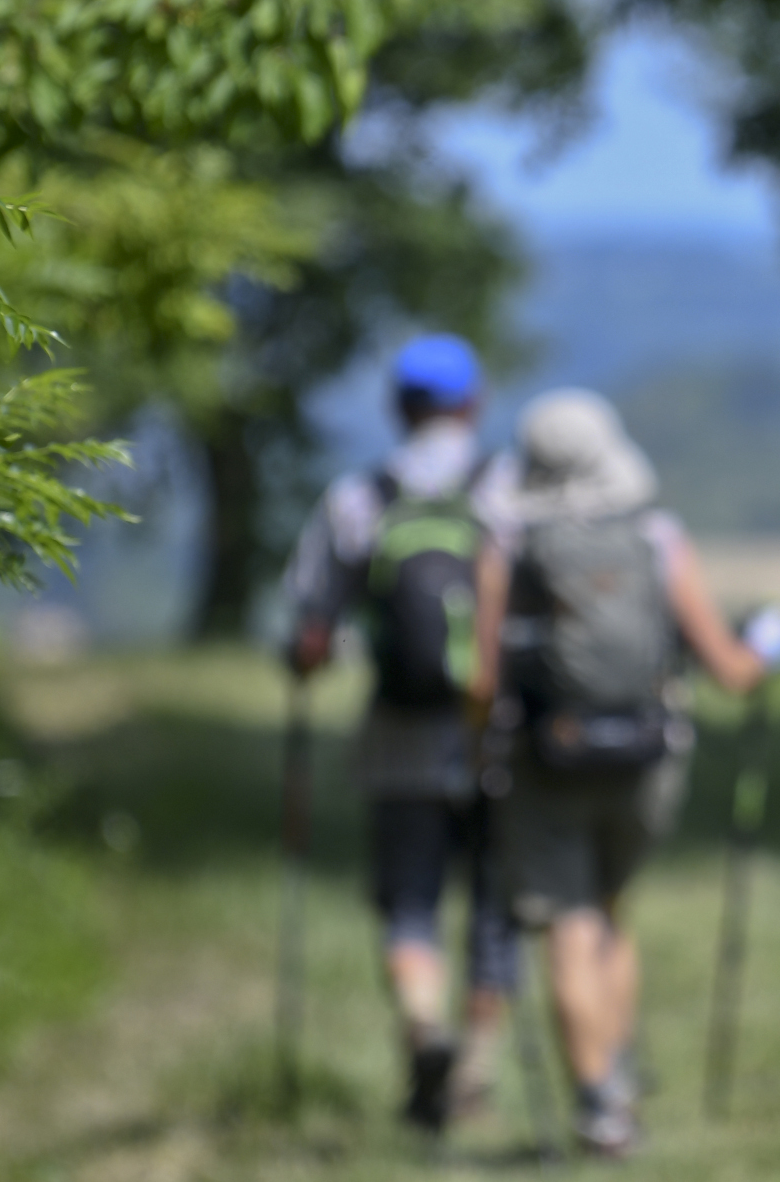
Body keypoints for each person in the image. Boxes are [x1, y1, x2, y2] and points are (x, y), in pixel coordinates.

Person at [484, 388, 780, 1157]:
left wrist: (479, 745)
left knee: (568, 920)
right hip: (645, 758)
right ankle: (617, 1080)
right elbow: (729, 668)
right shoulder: (656, 537)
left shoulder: (509, 545)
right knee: (614, 909)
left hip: (543, 755)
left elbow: (478, 680)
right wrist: (770, 647)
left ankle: (597, 1106)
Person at [284, 332, 519, 1133]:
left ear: (396, 408)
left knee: (409, 900)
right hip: (496, 735)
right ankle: (475, 1075)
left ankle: (425, 1027)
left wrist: (304, 660)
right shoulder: (506, 490)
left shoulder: (359, 498)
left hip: (399, 733)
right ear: (473, 402)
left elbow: (312, 635)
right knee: (495, 905)